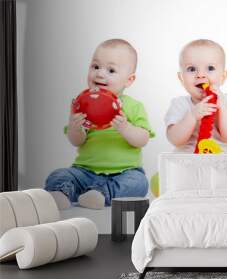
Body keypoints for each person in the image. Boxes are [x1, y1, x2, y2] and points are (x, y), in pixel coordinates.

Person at [45, 39, 155, 210]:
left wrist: (125, 128)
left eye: (111, 70)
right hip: (85, 171)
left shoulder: (134, 106)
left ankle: (101, 194)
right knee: (58, 175)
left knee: (139, 183)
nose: (100, 74)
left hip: (125, 172)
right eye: (95, 67)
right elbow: (77, 141)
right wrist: (75, 126)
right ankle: (62, 193)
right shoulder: (84, 105)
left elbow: (143, 139)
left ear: (129, 80)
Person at [164, 39, 227, 153]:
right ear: (181, 78)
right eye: (192, 69)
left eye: (210, 68)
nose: (200, 75)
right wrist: (192, 116)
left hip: (224, 164)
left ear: (223, 77)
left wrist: (222, 108)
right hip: (188, 164)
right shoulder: (179, 104)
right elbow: (174, 139)